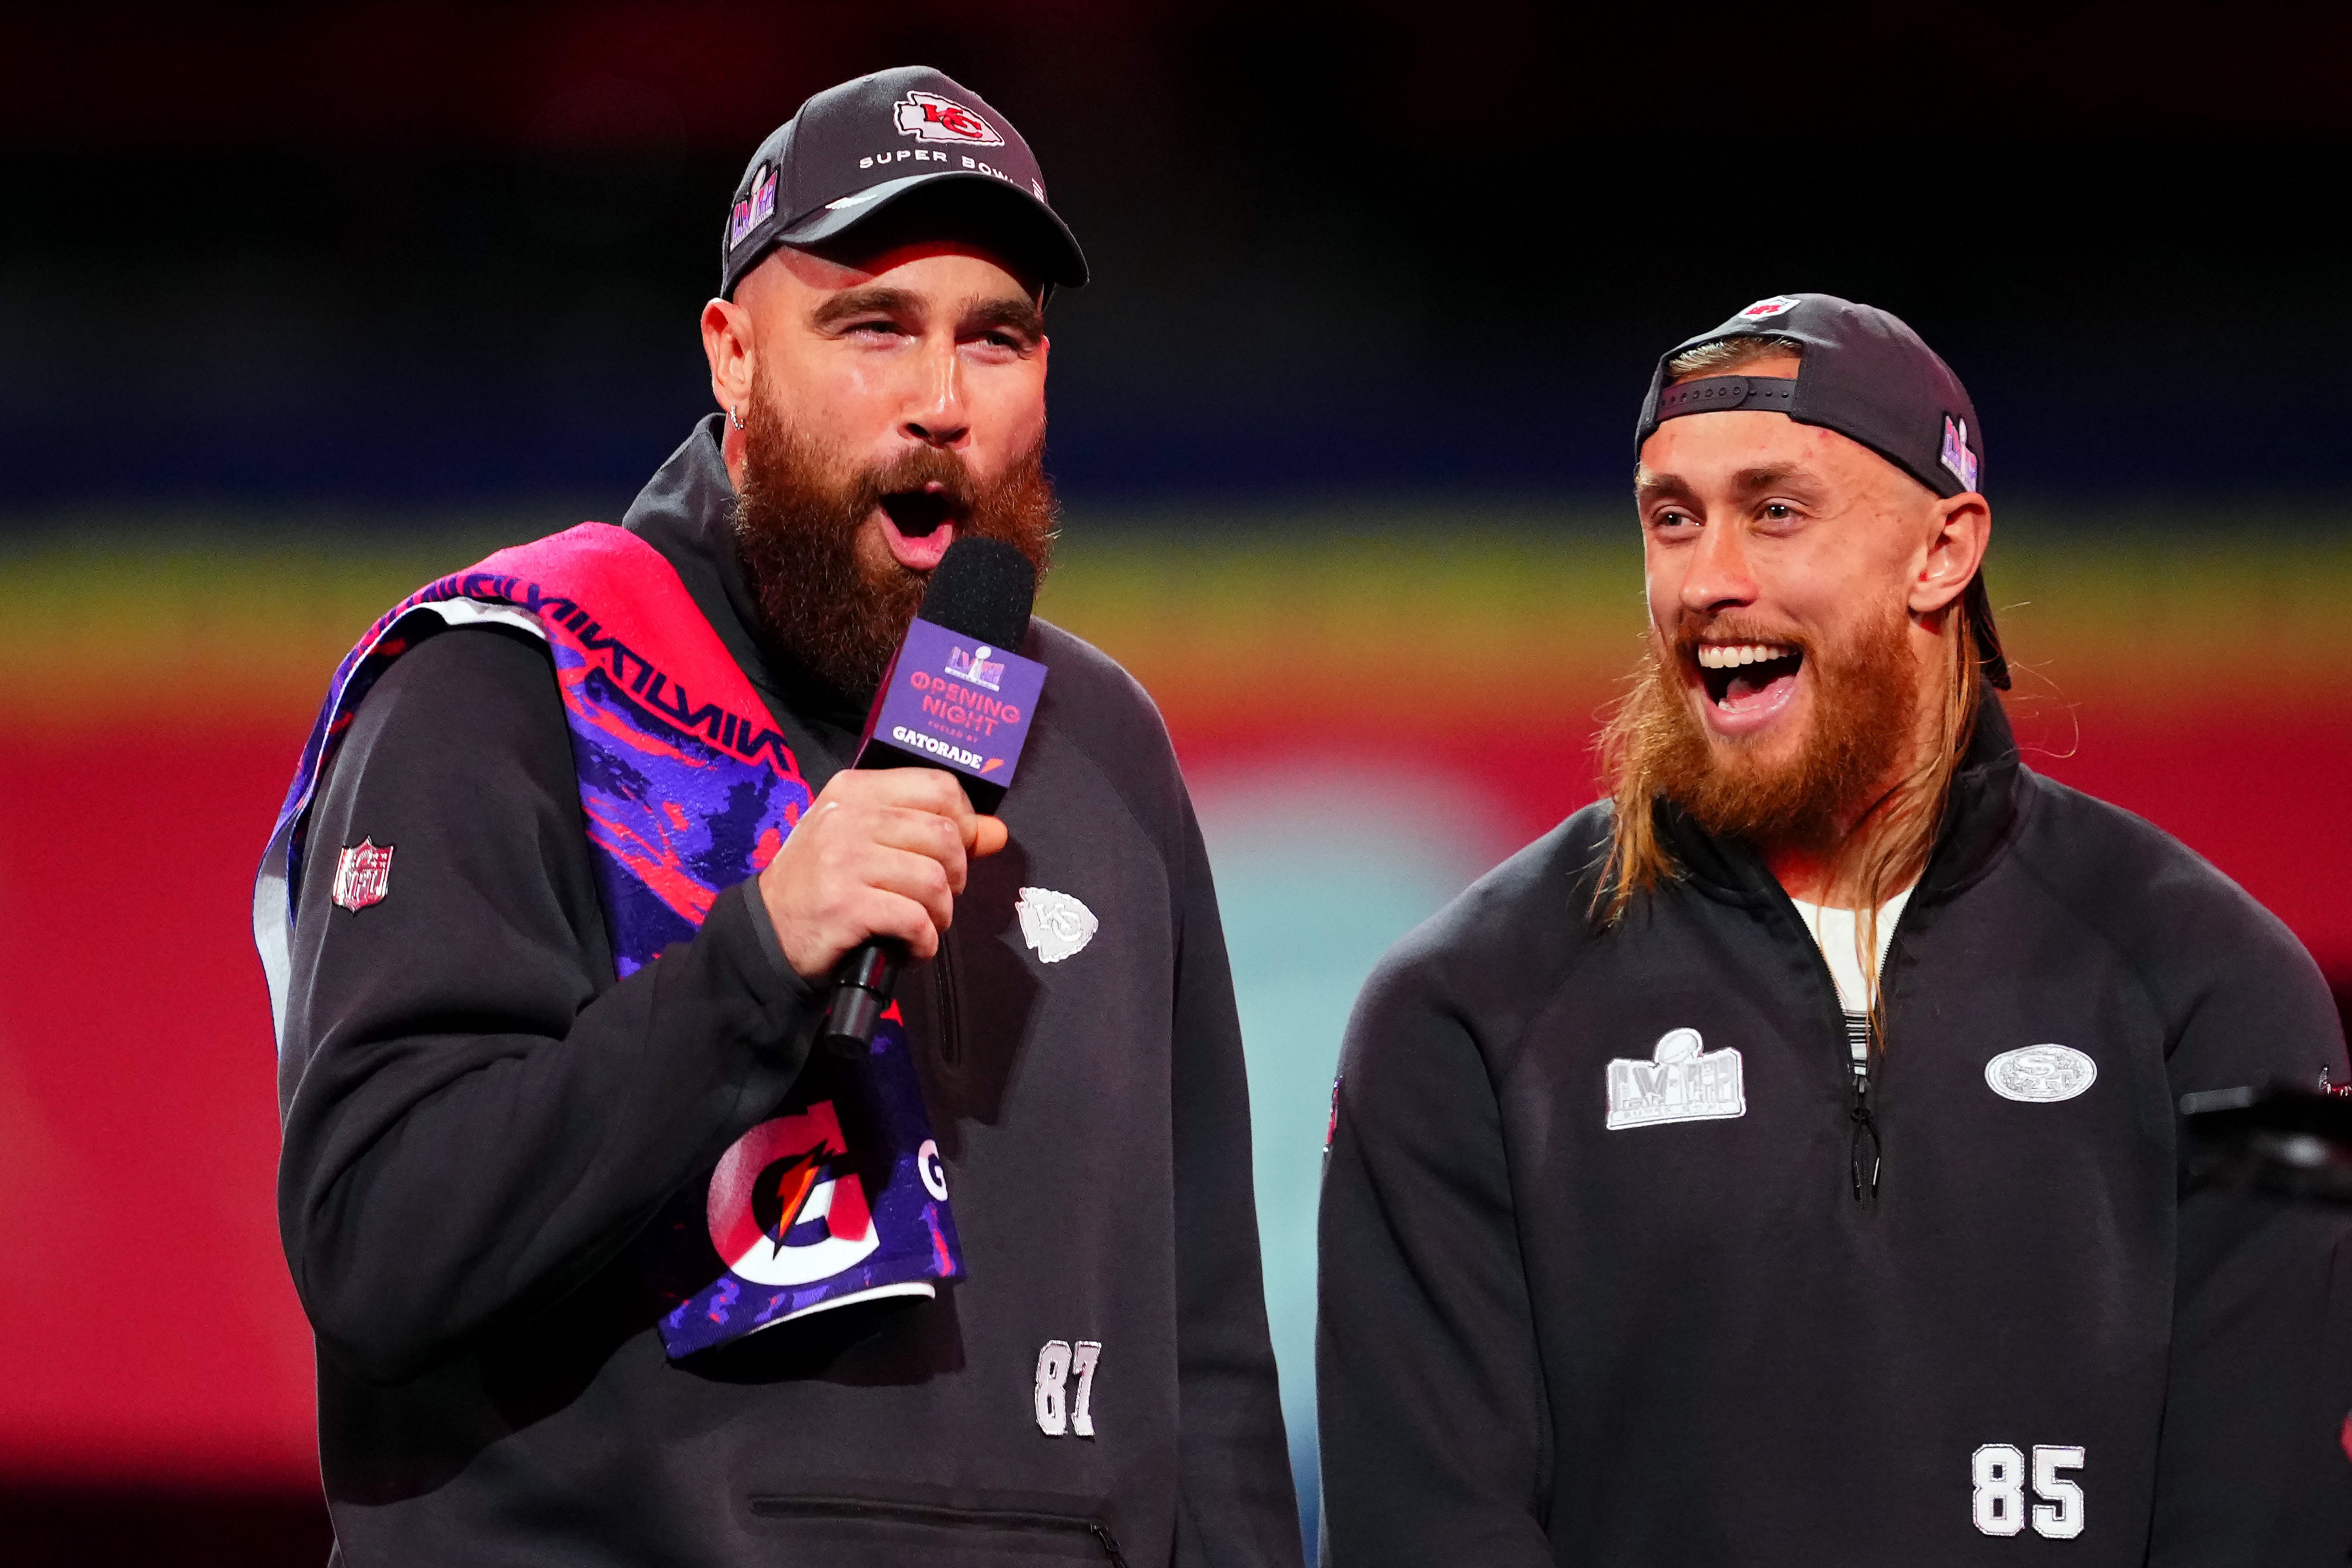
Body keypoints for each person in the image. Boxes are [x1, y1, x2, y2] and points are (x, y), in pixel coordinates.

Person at [256, 66, 1300, 1566]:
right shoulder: (510, 692)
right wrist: (755, 959)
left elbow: (1200, 1352)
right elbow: (379, 1248)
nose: (941, 403)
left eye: (994, 339)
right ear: (733, 357)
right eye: (872, 327)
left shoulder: (1103, 747)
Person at [1315, 293, 2351, 1565]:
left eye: (1777, 510)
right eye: (1673, 519)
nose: (1709, 580)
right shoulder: (1466, 1012)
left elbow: (2268, 1516)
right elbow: (1425, 1528)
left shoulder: (2223, 995)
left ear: (1944, 551)